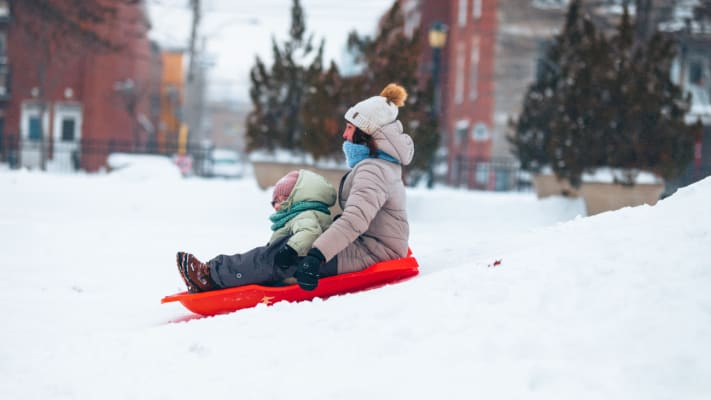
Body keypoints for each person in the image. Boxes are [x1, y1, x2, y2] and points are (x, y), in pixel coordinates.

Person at [293, 83, 414, 291]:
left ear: (365, 132)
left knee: (280, 263)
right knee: (287, 248)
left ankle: (220, 276)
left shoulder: (373, 169)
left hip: (372, 250)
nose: (344, 135)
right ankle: (223, 271)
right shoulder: (380, 165)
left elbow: (355, 218)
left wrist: (316, 255)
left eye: (349, 128)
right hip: (371, 244)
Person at [176, 169, 337, 293]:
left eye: (280, 200)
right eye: (273, 202)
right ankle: (220, 277)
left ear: (295, 198)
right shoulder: (304, 213)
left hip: (299, 262)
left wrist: (290, 249)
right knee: (262, 259)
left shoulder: (306, 214)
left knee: (259, 260)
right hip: (297, 263)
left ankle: (210, 276)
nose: (275, 206)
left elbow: (310, 232)